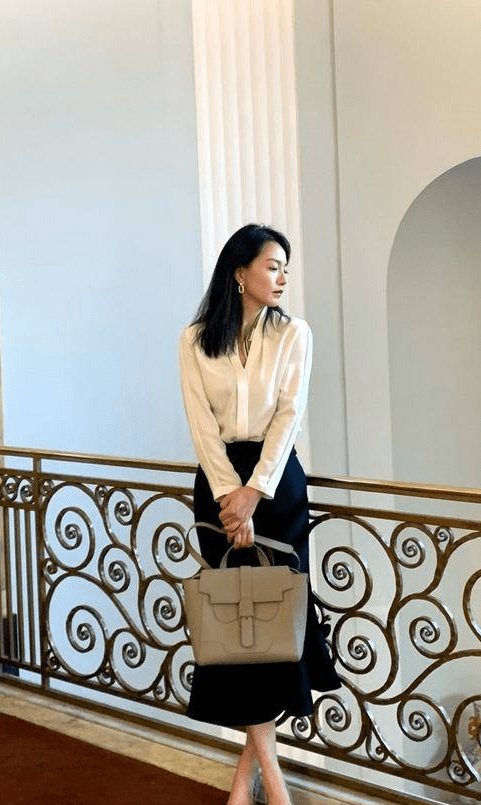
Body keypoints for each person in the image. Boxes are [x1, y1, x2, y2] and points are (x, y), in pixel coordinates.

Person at [179, 223, 341, 805]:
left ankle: (250, 780)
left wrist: (254, 492)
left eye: (284, 269)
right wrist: (230, 494)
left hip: (276, 486)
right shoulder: (195, 340)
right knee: (235, 624)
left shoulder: (295, 333)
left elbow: (289, 416)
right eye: (273, 266)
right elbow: (201, 424)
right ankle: (271, 779)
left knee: (277, 623)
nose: (282, 278)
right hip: (218, 486)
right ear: (239, 272)